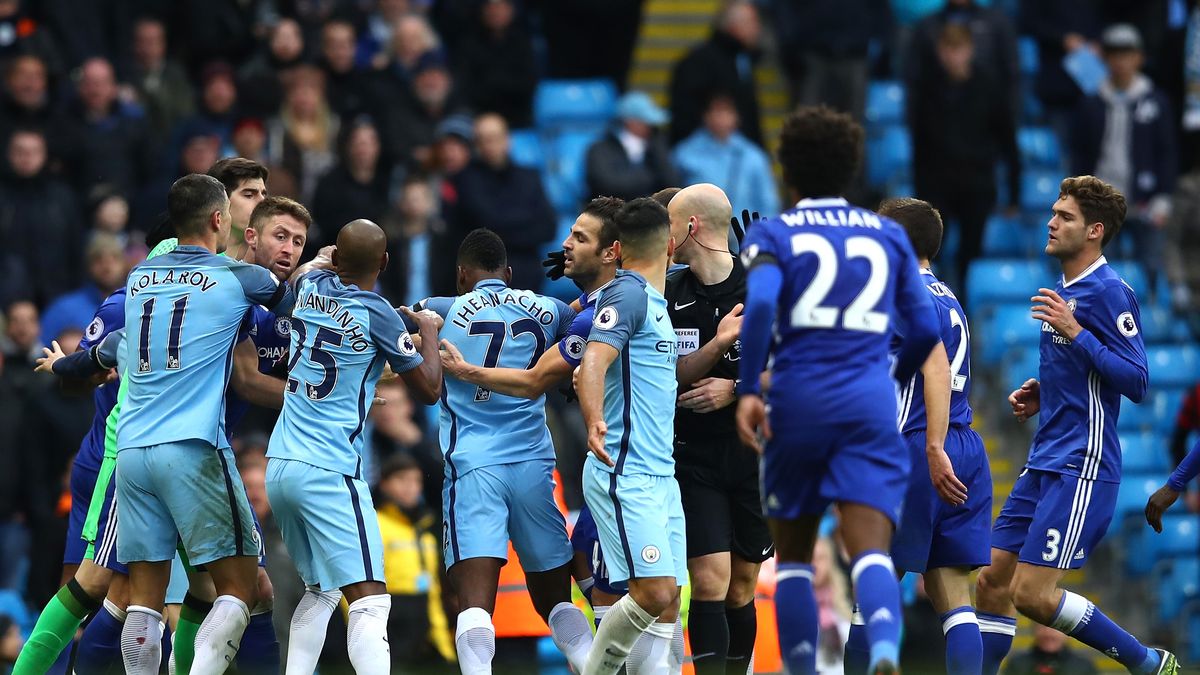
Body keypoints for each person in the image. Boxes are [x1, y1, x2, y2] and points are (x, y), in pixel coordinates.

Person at [734, 105, 941, 675]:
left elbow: (763, 307)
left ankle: (803, 669)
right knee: (870, 549)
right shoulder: (887, 235)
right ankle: (882, 652)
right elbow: (924, 328)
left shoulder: (774, 232)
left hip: (797, 401)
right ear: (852, 169)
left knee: (795, 556)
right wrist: (890, 382)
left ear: (788, 171)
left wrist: (750, 386)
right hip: (869, 403)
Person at [975, 176, 1176, 675]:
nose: (1051, 221)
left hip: (1081, 464)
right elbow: (1087, 372)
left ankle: (1148, 662)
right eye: (1053, 212)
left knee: (1032, 595)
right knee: (991, 581)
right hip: (1045, 458)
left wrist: (1077, 331)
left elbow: (1137, 380)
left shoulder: (1109, 292)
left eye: (1064, 216)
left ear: (1094, 231)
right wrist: (1045, 389)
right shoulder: (1067, 291)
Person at [113, 174, 296, 674]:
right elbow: (292, 307)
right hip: (192, 447)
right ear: (219, 219)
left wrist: (70, 365)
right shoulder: (238, 277)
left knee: (144, 599)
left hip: (132, 452)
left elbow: (108, 348)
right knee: (239, 588)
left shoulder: (139, 277)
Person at [266, 219, 442, 674]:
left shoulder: (308, 285)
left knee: (320, 590)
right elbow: (428, 390)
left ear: (337, 258)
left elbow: (309, 268)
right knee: (370, 600)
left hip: (280, 463)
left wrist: (326, 259)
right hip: (329, 468)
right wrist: (429, 331)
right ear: (384, 262)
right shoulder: (376, 311)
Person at [415, 228, 594, 675]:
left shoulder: (438, 310)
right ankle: (594, 667)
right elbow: (584, 314)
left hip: (474, 468)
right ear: (509, 274)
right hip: (534, 464)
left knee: (474, 605)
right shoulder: (547, 309)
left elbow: (394, 326)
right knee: (558, 600)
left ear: (461, 276)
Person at [844, 197, 993, 675]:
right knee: (954, 597)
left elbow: (933, 364)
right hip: (965, 445)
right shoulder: (947, 295)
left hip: (919, 446)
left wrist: (930, 446)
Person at [574, 197, 686, 675]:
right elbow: (594, 360)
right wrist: (595, 419)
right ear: (673, 246)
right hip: (626, 470)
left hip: (662, 474)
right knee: (653, 592)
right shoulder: (628, 295)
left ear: (617, 248)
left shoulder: (654, 303)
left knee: (668, 602)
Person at [662, 184, 766, 675]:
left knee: (742, 585)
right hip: (693, 454)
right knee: (709, 580)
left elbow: (804, 366)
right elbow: (662, 372)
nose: (665, 233)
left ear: (691, 227)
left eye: (670, 222)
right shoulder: (667, 293)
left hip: (757, 454)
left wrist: (736, 387)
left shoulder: (765, 286)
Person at [910, 23, 1020, 292]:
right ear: (940, 51)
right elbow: (919, 143)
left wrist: (1014, 193)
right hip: (937, 184)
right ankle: (937, 303)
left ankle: (966, 309)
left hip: (977, 183)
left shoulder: (990, 87)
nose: (953, 56)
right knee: (931, 251)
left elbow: (1007, 140)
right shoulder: (927, 89)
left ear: (970, 50)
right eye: (948, 49)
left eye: (958, 49)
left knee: (971, 253)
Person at [1070, 24, 1177, 292]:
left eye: (1127, 54)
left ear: (1139, 58)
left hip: (1146, 201)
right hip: (1102, 202)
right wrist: (1083, 198)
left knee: (1152, 265)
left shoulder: (1156, 101)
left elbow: (1167, 152)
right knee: (1100, 270)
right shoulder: (1091, 102)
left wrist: (1163, 198)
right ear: (1105, 58)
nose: (1121, 62)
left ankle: (1154, 318)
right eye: (1115, 54)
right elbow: (1079, 153)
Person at [451, 113, 557, 292]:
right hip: (484, 275)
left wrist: (500, 228)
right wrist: (524, 220)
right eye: (482, 140)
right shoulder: (465, 179)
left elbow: (547, 228)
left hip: (527, 275)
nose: (489, 145)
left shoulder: (530, 177)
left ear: (507, 139)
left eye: (494, 138)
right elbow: (486, 223)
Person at [375, 453, 457, 668]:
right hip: (387, 625)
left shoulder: (424, 531)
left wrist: (445, 649)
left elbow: (433, 595)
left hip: (422, 630)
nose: (410, 487)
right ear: (384, 484)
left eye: (416, 481)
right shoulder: (373, 525)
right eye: (402, 479)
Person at [0, 128, 84, 308]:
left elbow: (75, 247)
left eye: (33, 152)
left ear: (44, 155)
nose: (26, 158)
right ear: (9, 154)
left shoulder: (62, 197)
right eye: (20, 151)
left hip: (57, 295)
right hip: (7, 298)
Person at [669, 0, 764, 145]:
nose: (757, 29)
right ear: (733, 26)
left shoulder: (741, 59)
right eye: (752, 22)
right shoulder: (699, 63)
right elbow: (685, 114)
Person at [672, 94, 780, 220]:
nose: (722, 118)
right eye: (717, 112)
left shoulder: (753, 156)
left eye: (726, 112)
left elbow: (768, 203)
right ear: (706, 116)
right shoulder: (684, 153)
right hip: (698, 233)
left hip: (744, 235)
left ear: (737, 117)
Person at [453, 0, 537, 128]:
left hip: (517, 117)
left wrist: (494, 84)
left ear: (511, 11)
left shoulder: (523, 44)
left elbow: (528, 84)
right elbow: (465, 85)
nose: (495, 12)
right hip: (478, 116)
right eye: (491, 7)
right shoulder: (468, 44)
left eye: (500, 7)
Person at [585, 92, 679, 203]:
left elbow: (673, 184)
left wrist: (660, 155)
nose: (652, 128)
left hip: (650, 213)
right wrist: (650, 176)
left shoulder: (654, 148)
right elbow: (609, 185)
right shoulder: (600, 149)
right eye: (646, 122)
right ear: (630, 122)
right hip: (609, 215)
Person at [40, 234, 127, 346]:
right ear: (89, 265)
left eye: (114, 258)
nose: (107, 267)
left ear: (124, 264)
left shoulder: (138, 305)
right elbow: (42, 354)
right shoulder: (63, 309)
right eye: (98, 259)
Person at [1002, 625, 1099, 675]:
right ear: (1034, 631)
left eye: (1055, 628)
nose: (1048, 633)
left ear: (1068, 633)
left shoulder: (1084, 667)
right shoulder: (1017, 663)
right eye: (1043, 627)